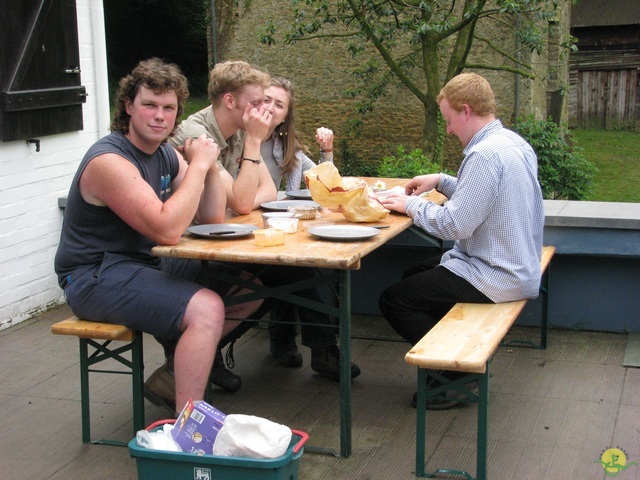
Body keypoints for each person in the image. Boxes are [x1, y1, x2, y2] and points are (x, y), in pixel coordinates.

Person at [54, 58, 261, 414]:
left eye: (169, 108)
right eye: (149, 104)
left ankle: (176, 370)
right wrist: (197, 165)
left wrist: (209, 166)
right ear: (129, 106)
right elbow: (167, 228)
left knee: (249, 286)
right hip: (93, 276)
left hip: (143, 264)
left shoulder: (164, 153)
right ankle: (191, 426)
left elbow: (210, 215)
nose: (160, 116)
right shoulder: (110, 161)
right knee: (206, 307)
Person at [171, 65, 360, 383]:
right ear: (231, 101)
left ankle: (323, 348)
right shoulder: (200, 136)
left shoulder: (236, 132)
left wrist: (249, 161)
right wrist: (254, 145)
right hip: (184, 250)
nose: (264, 110)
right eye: (259, 101)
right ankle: (205, 354)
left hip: (220, 237)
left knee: (303, 267)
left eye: (273, 104)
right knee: (273, 278)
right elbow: (238, 204)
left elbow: (264, 193)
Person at [378, 72, 544, 409]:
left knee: (395, 300)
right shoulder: (512, 143)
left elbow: (455, 225)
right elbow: (485, 198)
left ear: (466, 111)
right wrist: (441, 181)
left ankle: (453, 376)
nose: (449, 130)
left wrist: (409, 204)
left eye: (449, 120)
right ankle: (453, 356)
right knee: (413, 277)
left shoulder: (483, 155)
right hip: (516, 265)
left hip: (497, 274)